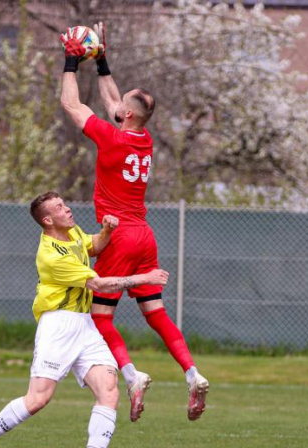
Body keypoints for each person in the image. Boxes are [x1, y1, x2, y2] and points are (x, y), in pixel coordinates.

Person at [0, 191, 169, 448]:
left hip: (84, 324)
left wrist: (107, 230)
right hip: (58, 325)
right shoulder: (52, 255)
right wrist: (143, 278)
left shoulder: (73, 232)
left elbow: (94, 247)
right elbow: (97, 283)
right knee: (37, 400)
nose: (67, 209)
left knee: (109, 389)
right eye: (59, 208)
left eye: (65, 204)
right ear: (47, 219)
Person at [59, 24, 209, 422]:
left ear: (126, 114)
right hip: (145, 235)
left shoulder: (111, 138)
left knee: (100, 316)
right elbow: (114, 100)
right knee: (155, 311)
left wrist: (73, 60)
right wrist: (102, 59)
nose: (116, 104)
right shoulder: (143, 139)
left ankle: (132, 375)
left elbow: (73, 105)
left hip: (120, 235)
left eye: (122, 105)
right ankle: (192, 374)